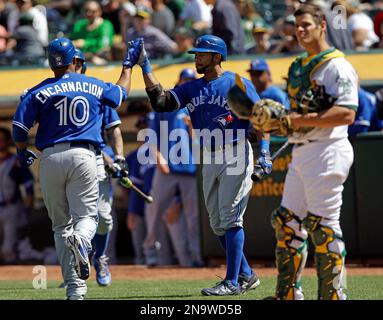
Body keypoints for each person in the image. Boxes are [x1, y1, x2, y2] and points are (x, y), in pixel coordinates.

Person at [132, 35, 271, 295]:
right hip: (208, 155)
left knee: (230, 217)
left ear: (217, 57)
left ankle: (232, 282)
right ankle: (247, 275)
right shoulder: (191, 88)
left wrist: (264, 153)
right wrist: (146, 66)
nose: (196, 57)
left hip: (235, 151)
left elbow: (261, 119)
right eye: (196, 53)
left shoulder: (237, 82)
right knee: (218, 223)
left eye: (202, 53)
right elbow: (161, 102)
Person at [12, 37, 140, 300]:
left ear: (50, 63)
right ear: (74, 61)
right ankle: (83, 240)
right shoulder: (91, 84)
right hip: (84, 155)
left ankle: (75, 289)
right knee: (87, 220)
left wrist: (22, 150)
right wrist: (128, 65)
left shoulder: (38, 90)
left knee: (60, 227)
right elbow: (120, 94)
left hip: (49, 158)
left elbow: (19, 129)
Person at [267, 4, 358, 300]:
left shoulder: (337, 65)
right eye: (297, 25)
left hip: (328, 148)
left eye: (307, 24)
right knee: (287, 221)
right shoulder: (300, 65)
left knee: (323, 227)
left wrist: (297, 121)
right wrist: (282, 124)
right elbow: (299, 116)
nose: (301, 30)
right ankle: (288, 294)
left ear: (322, 26)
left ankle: (332, 295)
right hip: (303, 150)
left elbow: (346, 113)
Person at [73, 48, 126, 287]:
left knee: (104, 218)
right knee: (72, 219)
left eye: (76, 63)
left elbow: (113, 128)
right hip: (70, 160)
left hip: (97, 161)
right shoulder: (55, 91)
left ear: (82, 65)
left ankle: (100, 257)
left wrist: (119, 158)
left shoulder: (97, 89)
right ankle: (71, 270)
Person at [142, 67, 202, 267]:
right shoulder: (167, 102)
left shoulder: (196, 105)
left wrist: (193, 125)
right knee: (154, 209)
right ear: (179, 81)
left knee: (194, 218)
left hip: (191, 168)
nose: (187, 82)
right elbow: (152, 135)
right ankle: (150, 251)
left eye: (190, 80)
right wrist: (158, 157)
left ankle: (196, 256)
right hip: (167, 166)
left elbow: (202, 140)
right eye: (185, 79)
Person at [0, 127, 34, 263]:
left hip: (11, 206)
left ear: (8, 141)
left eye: (2, 140)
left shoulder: (16, 161)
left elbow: (28, 183)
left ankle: (11, 276)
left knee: (8, 248)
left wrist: (29, 203)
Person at [125, 114, 156, 265]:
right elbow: (131, 188)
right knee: (140, 253)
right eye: (141, 128)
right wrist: (131, 211)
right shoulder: (133, 156)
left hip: (160, 206)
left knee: (159, 253)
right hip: (140, 207)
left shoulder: (169, 152)